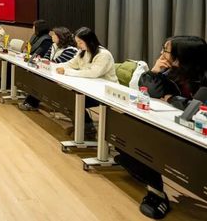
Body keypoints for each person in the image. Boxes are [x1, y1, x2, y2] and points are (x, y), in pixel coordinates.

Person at [116, 36, 207, 219]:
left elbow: (195, 107)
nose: (161, 54)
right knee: (126, 132)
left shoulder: (204, 75)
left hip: (198, 134)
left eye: (166, 50)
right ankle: (156, 191)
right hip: (176, 124)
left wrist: (171, 98)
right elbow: (151, 91)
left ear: (181, 55)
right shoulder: (173, 71)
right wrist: (154, 71)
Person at [55, 27, 117, 138]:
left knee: (73, 100)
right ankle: (83, 125)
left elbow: (92, 73)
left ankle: (87, 128)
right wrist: (55, 67)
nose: (78, 45)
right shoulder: (83, 52)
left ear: (89, 41)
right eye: (77, 42)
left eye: (80, 42)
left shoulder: (103, 55)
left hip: (104, 92)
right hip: (87, 88)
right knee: (67, 97)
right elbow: (70, 64)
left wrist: (67, 71)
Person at [18, 27, 78, 111]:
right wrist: (44, 61)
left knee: (40, 80)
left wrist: (46, 62)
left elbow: (57, 63)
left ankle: (31, 103)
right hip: (51, 72)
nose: (52, 36)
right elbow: (46, 58)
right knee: (37, 76)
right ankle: (31, 101)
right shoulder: (54, 45)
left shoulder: (71, 50)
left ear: (60, 37)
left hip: (62, 76)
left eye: (54, 35)